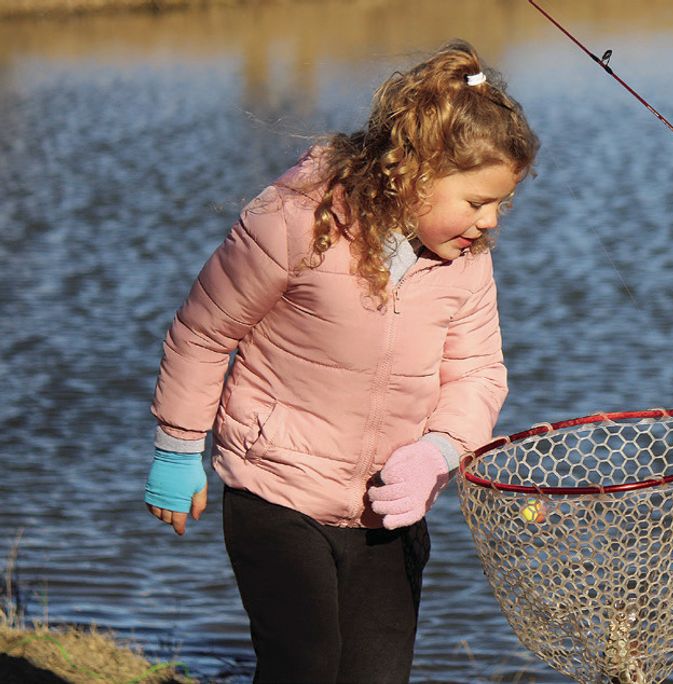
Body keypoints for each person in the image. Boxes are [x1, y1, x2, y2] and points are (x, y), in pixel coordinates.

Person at [142, 39, 539, 683]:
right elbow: (203, 333)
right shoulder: (297, 220)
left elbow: (478, 373)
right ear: (415, 172)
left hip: (388, 507)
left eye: (502, 203)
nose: (490, 221)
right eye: (476, 202)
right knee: (305, 667)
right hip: (277, 490)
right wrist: (178, 446)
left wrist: (440, 450)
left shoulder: (466, 264)